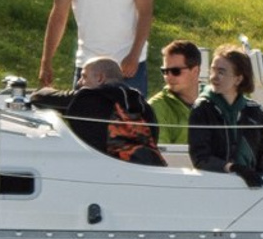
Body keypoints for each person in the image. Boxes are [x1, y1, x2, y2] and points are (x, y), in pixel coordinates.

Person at [32, 56, 166, 166]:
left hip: (107, 171)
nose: (79, 83)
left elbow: (41, 97)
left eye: (84, 76)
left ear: (100, 78)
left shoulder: (91, 98)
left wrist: (37, 91)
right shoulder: (143, 104)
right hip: (149, 168)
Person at [186, 45, 263, 186]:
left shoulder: (256, 112)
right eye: (213, 70)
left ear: (238, 79)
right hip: (214, 184)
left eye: (221, 72)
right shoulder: (202, 108)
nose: (214, 77)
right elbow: (200, 158)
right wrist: (233, 168)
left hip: (252, 185)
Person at [155, 39, 206, 143]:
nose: (168, 77)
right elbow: (161, 154)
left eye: (175, 71)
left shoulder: (216, 101)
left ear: (195, 71)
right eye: (164, 71)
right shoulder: (156, 107)